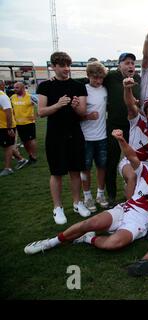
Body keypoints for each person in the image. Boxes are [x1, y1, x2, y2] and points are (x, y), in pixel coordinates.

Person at [23, 132, 148, 255]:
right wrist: (121, 140)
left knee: (114, 244)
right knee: (89, 224)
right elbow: (132, 156)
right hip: (125, 209)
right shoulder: (147, 172)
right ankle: (50, 242)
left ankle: (88, 238)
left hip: (140, 220)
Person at [36, 51, 91, 224]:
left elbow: (82, 112)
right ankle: (57, 208)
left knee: (76, 171)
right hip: (55, 136)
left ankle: (77, 203)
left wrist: (76, 107)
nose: (66, 68)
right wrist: (58, 105)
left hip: (75, 134)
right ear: (53, 67)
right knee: (57, 173)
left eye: (68, 65)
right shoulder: (45, 86)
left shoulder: (78, 85)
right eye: (62, 65)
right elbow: (41, 112)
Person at [103, 52, 141, 207]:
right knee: (111, 161)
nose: (130, 65)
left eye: (132, 63)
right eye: (127, 63)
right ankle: (111, 195)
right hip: (114, 126)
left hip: (133, 127)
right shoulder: (110, 77)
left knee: (136, 160)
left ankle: (135, 190)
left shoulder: (138, 79)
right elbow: (90, 79)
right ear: (119, 65)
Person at [79, 61, 109, 212]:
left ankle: (100, 194)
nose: (98, 81)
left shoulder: (105, 89)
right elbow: (74, 115)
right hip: (85, 137)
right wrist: (87, 116)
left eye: (100, 78)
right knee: (85, 168)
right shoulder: (82, 90)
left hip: (102, 136)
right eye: (95, 77)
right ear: (88, 75)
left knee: (102, 166)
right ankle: (87, 196)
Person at [10, 81, 38, 164]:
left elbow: (40, 105)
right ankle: (30, 155)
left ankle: (34, 157)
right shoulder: (12, 97)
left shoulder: (30, 97)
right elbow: (10, 109)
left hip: (29, 123)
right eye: (14, 87)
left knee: (31, 140)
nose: (14, 89)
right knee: (24, 141)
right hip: (17, 123)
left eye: (17, 88)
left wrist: (35, 116)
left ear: (22, 88)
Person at [0, 88, 20, 176]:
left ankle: (8, 168)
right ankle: (21, 159)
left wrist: (9, 128)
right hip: (1, 126)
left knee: (7, 147)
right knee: (7, 145)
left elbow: (8, 112)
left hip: (5, 126)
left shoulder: (2, 97)